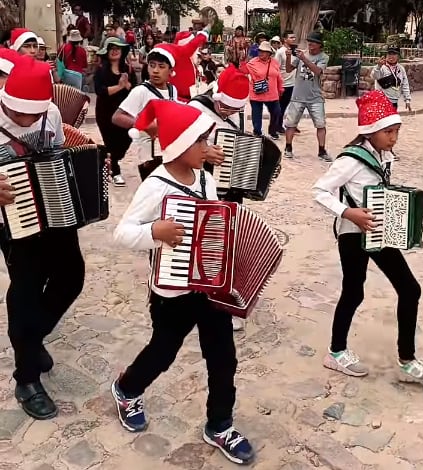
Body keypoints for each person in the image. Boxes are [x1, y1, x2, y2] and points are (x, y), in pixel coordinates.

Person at [112, 99, 255, 465]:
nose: (208, 149)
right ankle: (127, 389)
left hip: (208, 286)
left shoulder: (205, 179)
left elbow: (208, 224)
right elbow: (122, 232)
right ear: (178, 146)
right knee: (163, 350)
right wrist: (154, 232)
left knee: (223, 357)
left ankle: (219, 424)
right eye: (201, 142)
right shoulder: (156, 186)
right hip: (172, 290)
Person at [312, 90, 423, 385]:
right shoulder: (350, 159)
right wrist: (347, 213)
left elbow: (379, 188)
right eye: (388, 132)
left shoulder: (382, 154)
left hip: (377, 230)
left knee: (410, 289)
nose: (393, 138)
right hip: (353, 235)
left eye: (396, 132)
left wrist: (415, 201)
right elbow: (319, 191)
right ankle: (336, 352)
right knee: (354, 292)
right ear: (371, 131)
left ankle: (407, 360)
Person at [0, 56, 85, 419]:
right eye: (22, 116)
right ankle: (27, 378)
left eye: (35, 116)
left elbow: (61, 151)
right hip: (12, 220)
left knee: (72, 277)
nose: (30, 123)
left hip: (54, 212)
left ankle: (30, 341)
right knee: (26, 288)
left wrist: (86, 169)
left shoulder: (49, 111)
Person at [188, 63, 249, 332]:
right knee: (205, 240)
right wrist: (204, 153)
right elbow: (175, 145)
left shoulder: (236, 113)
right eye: (227, 109)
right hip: (200, 183)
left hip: (230, 188)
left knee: (228, 239)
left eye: (236, 109)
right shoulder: (195, 108)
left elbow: (241, 144)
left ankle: (222, 293)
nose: (231, 113)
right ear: (218, 97)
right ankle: (205, 294)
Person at [112, 44, 178, 173]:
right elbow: (117, 117)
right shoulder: (141, 91)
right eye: (152, 65)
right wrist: (145, 124)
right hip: (147, 156)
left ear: (170, 71)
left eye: (161, 67)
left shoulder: (172, 90)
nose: (156, 71)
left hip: (167, 152)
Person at [95, 37, 136, 186]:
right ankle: (116, 172)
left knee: (126, 140)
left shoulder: (127, 69)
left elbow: (135, 89)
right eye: (111, 48)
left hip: (124, 112)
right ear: (106, 52)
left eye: (117, 48)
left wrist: (127, 86)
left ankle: (106, 161)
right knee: (110, 142)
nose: (115, 51)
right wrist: (119, 86)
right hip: (105, 112)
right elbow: (100, 91)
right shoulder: (101, 71)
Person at [284, 31, 331, 161]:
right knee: (291, 124)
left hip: (315, 96)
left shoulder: (324, 57)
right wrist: (288, 57)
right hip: (297, 95)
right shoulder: (302, 53)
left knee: (321, 124)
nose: (310, 43)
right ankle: (288, 148)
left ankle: (322, 150)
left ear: (319, 45)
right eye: (309, 41)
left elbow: (317, 71)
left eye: (313, 42)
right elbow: (288, 69)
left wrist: (304, 59)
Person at [240, 41, 283, 139]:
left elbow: (278, 76)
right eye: (260, 51)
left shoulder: (274, 62)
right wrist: (243, 61)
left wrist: (281, 87)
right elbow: (243, 71)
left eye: (263, 51)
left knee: (276, 112)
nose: (261, 53)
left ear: (269, 53)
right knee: (256, 114)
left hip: (272, 93)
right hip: (257, 92)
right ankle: (257, 132)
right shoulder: (253, 62)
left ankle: (273, 131)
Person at [171, 27, 211, 101]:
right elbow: (194, 43)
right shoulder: (180, 55)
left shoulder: (189, 59)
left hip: (190, 96)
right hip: (181, 98)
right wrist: (204, 32)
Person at [371, 46, 411, 111]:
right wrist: (378, 67)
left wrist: (407, 99)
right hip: (382, 101)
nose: (391, 56)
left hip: (394, 101)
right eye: (389, 54)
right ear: (386, 55)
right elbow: (374, 76)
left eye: (394, 54)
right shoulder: (381, 67)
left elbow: (405, 84)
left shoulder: (401, 68)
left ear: (398, 56)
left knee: (392, 119)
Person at [275, 30, 298, 134]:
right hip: (284, 84)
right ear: (285, 39)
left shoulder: (295, 52)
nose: (293, 39)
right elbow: (276, 68)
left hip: (293, 83)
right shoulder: (280, 52)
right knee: (281, 106)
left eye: (294, 37)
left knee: (292, 106)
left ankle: (291, 125)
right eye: (291, 37)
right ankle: (278, 126)